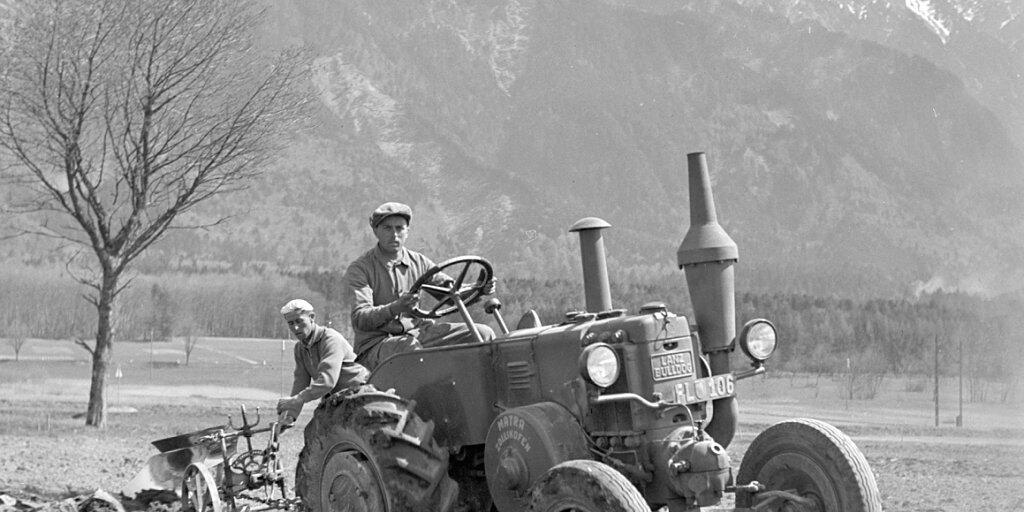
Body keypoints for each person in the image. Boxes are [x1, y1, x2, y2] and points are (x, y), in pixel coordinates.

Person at [344, 202, 496, 369]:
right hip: (377, 344)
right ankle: (429, 392)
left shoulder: (420, 262)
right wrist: (395, 308)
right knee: (408, 348)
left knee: (482, 334)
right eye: (387, 228)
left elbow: (451, 293)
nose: (394, 235)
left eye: (399, 228)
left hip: (421, 333)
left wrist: (478, 289)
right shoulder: (361, 269)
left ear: (407, 231)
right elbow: (360, 318)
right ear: (375, 231)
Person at [276, 299, 369, 423]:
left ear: (312, 317)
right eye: (291, 323)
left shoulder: (330, 339)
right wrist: (288, 416)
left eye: (299, 321)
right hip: (335, 397)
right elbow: (300, 383)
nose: (295, 327)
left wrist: (298, 399)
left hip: (359, 393)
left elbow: (327, 381)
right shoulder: (300, 348)